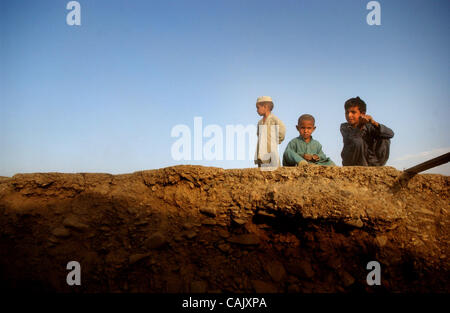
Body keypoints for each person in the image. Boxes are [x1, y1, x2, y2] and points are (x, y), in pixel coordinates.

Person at [340, 97, 394, 166]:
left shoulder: (369, 126)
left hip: (370, 162)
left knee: (384, 137)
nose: (349, 115)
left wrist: (374, 123)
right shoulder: (344, 127)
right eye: (347, 112)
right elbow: (353, 139)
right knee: (357, 141)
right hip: (352, 161)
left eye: (353, 112)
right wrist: (360, 126)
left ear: (362, 114)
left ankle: (377, 167)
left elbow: (391, 134)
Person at [254, 96, 286, 167]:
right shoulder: (260, 122)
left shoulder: (274, 119)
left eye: (258, 108)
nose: (257, 110)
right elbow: (258, 134)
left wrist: (276, 141)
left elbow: (282, 130)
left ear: (265, 107)